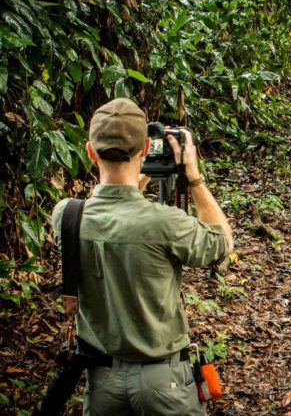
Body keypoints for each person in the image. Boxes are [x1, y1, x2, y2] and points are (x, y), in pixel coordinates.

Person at [51, 98, 233, 415]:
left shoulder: (66, 216)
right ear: (146, 148)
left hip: (102, 382)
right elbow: (221, 242)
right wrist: (194, 177)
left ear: (90, 151)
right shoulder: (164, 222)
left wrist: (138, 177)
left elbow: (117, 217)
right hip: (164, 383)